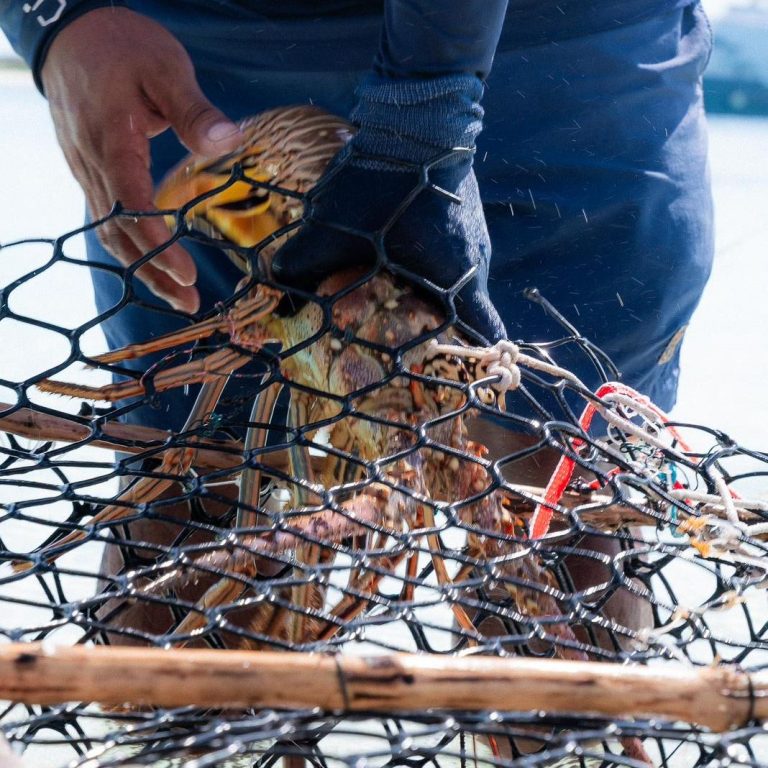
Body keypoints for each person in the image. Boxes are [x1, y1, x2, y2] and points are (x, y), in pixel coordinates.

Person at [0, 1, 712, 651]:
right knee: (185, 501)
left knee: (554, 523)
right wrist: (57, 19)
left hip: (560, 61)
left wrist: (424, 116)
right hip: (201, 78)